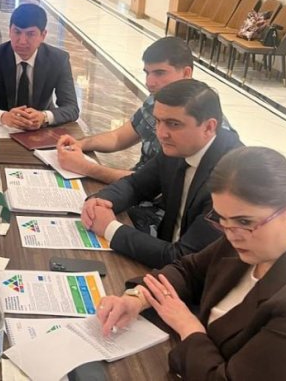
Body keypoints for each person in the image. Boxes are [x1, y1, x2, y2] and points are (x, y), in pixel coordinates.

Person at [97, 147, 286, 380]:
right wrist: (136, 298)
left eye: (244, 221)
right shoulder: (246, 235)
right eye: (221, 220)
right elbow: (189, 270)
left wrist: (188, 327)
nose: (231, 236)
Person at [84, 79, 242, 268]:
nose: (161, 133)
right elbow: (136, 184)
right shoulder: (178, 146)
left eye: (173, 124)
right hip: (164, 255)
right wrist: (101, 201)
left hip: (195, 276)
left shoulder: (232, 178)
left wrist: (110, 228)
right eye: (158, 121)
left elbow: (184, 257)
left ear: (208, 127)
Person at [56, 36, 195, 184]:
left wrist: (85, 167)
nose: (149, 82)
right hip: (132, 183)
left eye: (159, 73)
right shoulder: (156, 100)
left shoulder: (196, 121)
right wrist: (81, 144)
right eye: (147, 73)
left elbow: (155, 185)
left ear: (186, 73)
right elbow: (118, 138)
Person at [0, 3, 79, 129]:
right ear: (9, 31)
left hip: (41, 128)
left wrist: (44, 117)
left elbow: (72, 108)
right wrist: (3, 116)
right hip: (2, 128)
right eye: (17, 32)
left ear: (43, 35)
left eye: (30, 34)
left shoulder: (58, 60)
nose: (22, 41)